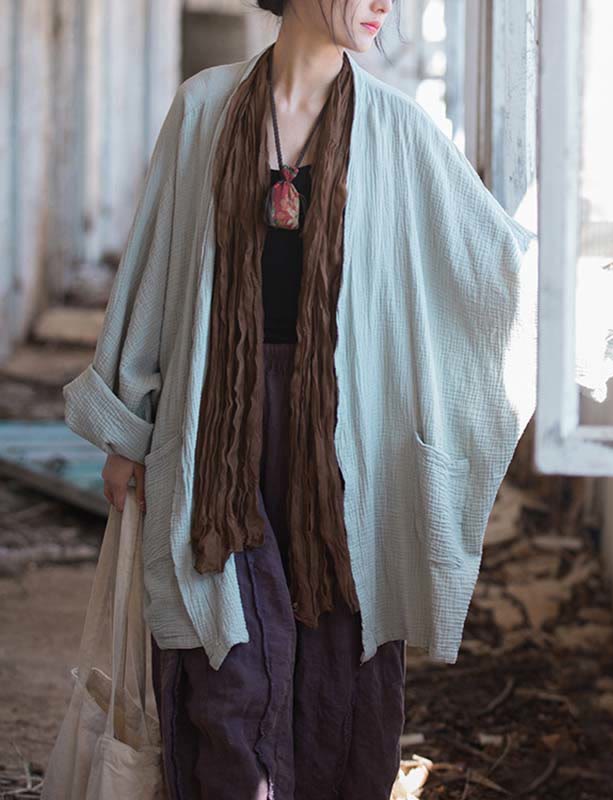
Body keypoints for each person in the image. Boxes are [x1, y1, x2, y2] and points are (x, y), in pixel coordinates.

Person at [62, 0, 546, 797]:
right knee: (224, 664)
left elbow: (494, 266)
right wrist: (127, 431)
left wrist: (595, 302)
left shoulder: (398, 128)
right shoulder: (205, 108)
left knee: (337, 672)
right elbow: (157, 270)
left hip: (343, 448)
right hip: (216, 428)